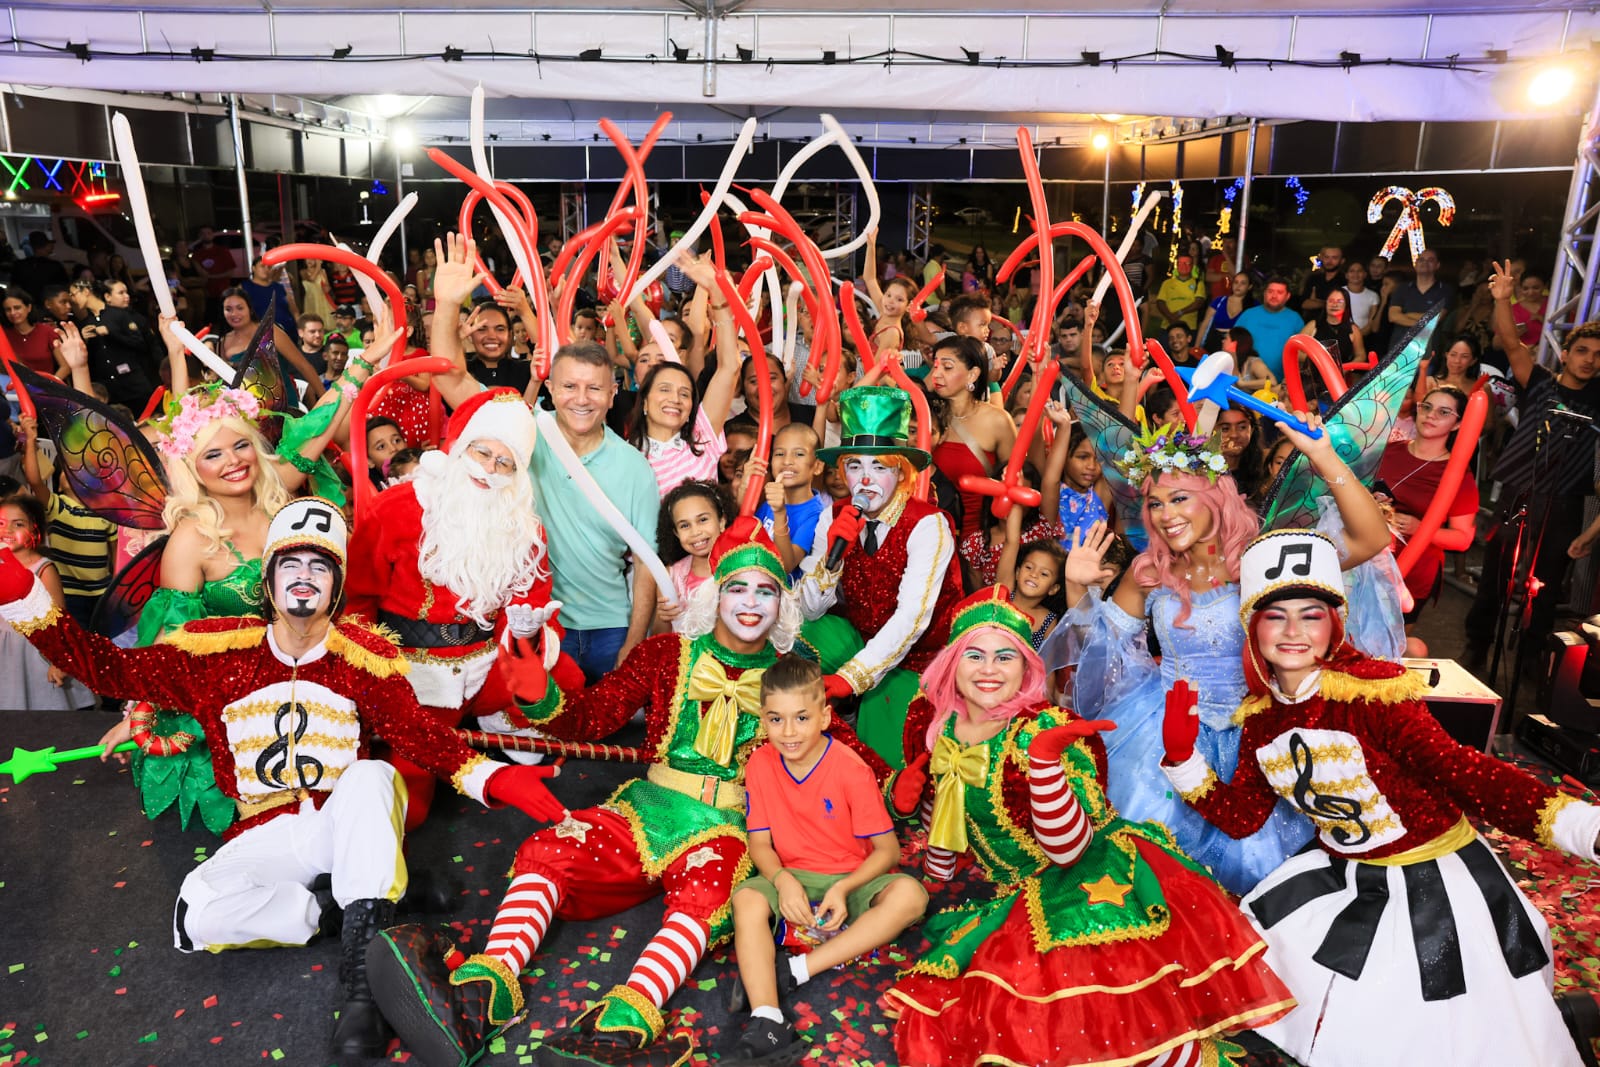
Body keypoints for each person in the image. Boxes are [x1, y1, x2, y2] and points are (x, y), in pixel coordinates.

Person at [0, 500, 566, 1060]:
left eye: (319, 566)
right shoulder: (213, 652)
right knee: (194, 914)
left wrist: (493, 779)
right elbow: (109, 668)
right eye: (291, 564)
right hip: (262, 828)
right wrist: (24, 601)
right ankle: (352, 908)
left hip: (342, 818)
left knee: (371, 776)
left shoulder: (365, 659)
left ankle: (362, 993)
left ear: (336, 586)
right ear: (268, 581)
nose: (304, 577)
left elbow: (416, 732)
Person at [367, 519, 888, 1067]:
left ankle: (622, 1024)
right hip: (647, 808)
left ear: (782, 605)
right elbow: (592, 717)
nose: (752, 602)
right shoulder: (665, 654)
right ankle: (482, 995)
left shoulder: (791, 676)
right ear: (716, 595)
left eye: (766, 591)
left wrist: (900, 783)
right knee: (552, 848)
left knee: (711, 894)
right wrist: (544, 698)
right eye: (738, 587)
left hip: (729, 826)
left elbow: (842, 752)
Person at [1160, 528, 1600, 1067]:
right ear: (1253, 629)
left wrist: (1583, 826)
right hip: (1348, 877)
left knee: (1448, 1027)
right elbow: (1243, 817)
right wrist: (1185, 764)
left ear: (1334, 623)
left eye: (1311, 614)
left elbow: (1465, 773)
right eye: (1276, 616)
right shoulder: (1261, 720)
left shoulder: (1374, 694)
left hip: (1437, 881)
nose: (1294, 630)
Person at [882, 587, 1295, 1067]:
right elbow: (946, 834)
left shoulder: (1043, 730)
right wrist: (908, 800)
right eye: (974, 655)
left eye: (1005, 656)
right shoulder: (943, 729)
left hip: (1086, 874)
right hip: (1015, 889)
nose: (989, 669)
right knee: (1020, 1019)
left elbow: (1070, 851)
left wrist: (1043, 766)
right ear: (952, 664)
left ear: (1026, 668)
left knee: (1097, 1007)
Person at [1060, 412, 1393, 894]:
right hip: (1160, 730)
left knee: (1253, 878)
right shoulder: (1147, 571)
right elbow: (1101, 655)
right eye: (1154, 503)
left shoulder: (1261, 560)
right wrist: (1077, 589)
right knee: (1143, 872)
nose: (1165, 514)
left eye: (1179, 498)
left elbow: (1371, 539)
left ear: (1215, 497)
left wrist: (1323, 456)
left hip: (1256, 730)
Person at [428, 233, 662, 684]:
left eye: (595, 388)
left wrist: (633, 645)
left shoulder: (635, 467)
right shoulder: (522, 428)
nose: (582, 399)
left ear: (613, 396)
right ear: (550, 388)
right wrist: (446, 305)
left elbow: (646, 565)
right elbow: (450, 381)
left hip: (611, 629)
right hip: (529, 624)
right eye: (570, 386)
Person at [346, 388, 573, 824]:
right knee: (408, 805)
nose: (489, 469)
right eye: (482, 451)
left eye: (504, 463)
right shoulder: (395, 509)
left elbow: (534, 601)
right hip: (414, 675)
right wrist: (372, 683)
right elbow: (357, 599)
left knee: (566, 680)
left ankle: (495, 717)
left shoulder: (523, 528)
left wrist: (526, 643)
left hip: (488, 665)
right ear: (458, 446)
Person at [722, 654, 927, 1065]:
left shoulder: (851, 770)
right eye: (775, 719)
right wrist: (781, 879)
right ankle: (768, 1018)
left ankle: (793, 971)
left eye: (801, 717)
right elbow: (759, 843)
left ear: (824, 717)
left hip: (850, 878)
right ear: (762, 720)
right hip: (792, 873)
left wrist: (845, 886)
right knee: (746, 900)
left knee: (911, 895)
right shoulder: (760, 763)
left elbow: (887, 850)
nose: (788, 732)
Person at [796, 387, 963, 767]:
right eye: (855, 466)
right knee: (792, 630)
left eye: (879, 467)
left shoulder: (928, 524)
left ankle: (857, 714)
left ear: (901, 472)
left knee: (881, 763)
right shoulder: (833, 516)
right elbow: (807, 607)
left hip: (922, 658)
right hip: (863, 641)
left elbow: (911, 619)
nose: (865, 480)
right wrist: (830, 562)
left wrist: (852, 678)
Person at [1465, 261, 1600, 671]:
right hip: (1519, 492)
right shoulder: (1541, 381)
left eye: (1598, 355)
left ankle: (1528, 659)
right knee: (1496, 576)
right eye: (1582, 351)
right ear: (1566, 353)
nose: (1589, 360)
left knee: (1545, 586)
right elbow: (1509, 342)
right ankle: (1476, 647)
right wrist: (1503, 299)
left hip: (1565, 503)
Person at [1375, 387, 1477, 654]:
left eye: (1444, 412)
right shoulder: (1390, 450)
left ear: (1457, 424)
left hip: (1412, 571)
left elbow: (1463, 539)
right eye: (1427, 407)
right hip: (1366, 560)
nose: (1431, 415)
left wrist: (1422, 529)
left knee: (1386, 647)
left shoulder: (1456, 473)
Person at [629, 255, 740, 494]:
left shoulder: (701, 435)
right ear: (645, 400)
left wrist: (717, 296)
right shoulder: (627, 456)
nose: (675, 399)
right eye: (664, 389)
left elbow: (729, 368)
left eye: (684, 393)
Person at [0, 493, 93, 709]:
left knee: (38, 716)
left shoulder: (43, 569)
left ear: (34, 529)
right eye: (1, 523)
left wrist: (58, 661)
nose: (7, 530)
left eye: (18, 524)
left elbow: (59, 620)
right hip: (5, 656)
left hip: (33, 654)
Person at [926, 335, 1016, 539]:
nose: (937, 374)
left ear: (972, 374)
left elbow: (1015, 481)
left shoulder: (997, 421)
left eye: (947, 368)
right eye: (936, 366)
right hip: (930, 538)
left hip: (979, 540)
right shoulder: (925, 417)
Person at [215, 287, 324, 402]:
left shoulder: (270, 331)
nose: (234, 314)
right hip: (247, 407)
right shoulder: (224, 342)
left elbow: (303, 365)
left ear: (250, 309)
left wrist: (326, 399)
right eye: (228, 309)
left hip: (282, 403)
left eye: (240, 308)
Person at [655, 478, 734, 628]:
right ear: (676, 533)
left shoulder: (743, 568)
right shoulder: (670, 577)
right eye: (685, 525)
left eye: (703, 519)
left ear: (722, 521)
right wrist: (663, 618)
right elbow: (661, 639)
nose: (695, 532)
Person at [756, 421, 830, 576]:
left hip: (787, 597)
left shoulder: (817, 515)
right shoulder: (769, 501)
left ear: (817, 466)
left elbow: (786, 566)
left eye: (799, 454)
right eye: (779, 453)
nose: (787, 461)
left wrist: (780, 513)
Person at [1234, 277, 1306, 381]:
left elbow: (1302, 354)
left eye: (1280, 292)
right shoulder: (1248, 315)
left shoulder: (1295, 319)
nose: (1274, 296)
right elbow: (1231, 344)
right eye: (1270, 291)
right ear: (1264, 293)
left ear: (1288, 296)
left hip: (1281, 385)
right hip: (1245, 380)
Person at [1388, 250, 1454, 333]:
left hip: (1430, 344)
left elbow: (1436, 318)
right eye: (1421, 260)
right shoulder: (1402, 288)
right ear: (1416, 264)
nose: (1425, 263)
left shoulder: (1445, 289)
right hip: (1400, 342)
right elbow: (1393, 316)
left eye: (1430, 260)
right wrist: (1422, 325)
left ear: (1437, 265)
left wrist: (1405, 316)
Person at [2, 287, 61, 375]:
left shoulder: (47, 331)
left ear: (29, 307)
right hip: (14, 386)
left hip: (47, 385)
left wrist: (51, 383)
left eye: (17, 308)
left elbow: (65, 366)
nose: (13, 313)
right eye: (8, 309)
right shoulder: (3, 335)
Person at [1197, 271, 1255, 352]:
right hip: (1214, 343)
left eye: (1243, 283)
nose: (1238, 286)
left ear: (1249, 286)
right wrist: (1196, 347)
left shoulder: (1254, 305)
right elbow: (1205, 324)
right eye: (1236, 282)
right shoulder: (1219, 301)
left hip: (1238, 345)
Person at [1154, 253, 1207, 332]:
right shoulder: (1167, 283)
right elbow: (1160, 302)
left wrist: (1180, 313)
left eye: (1187, 263)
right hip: (1168, 326)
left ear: (1192, 266)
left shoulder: (1198, 283)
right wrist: (1170, 317)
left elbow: (1198, 303)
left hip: (1189, 327)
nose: (1183, 266)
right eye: (1180, 263)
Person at [1300, 245, 1346, 316]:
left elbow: (1345, 305)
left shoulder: (1345, 280)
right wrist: (1330, 303)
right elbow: (1304, 304)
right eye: (1326, 257)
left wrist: (1316, 302)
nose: (1329, 261)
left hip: (1337, 324)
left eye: (1334, 258)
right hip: (1312, 323)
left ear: (1342, 261)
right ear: (1321, 258)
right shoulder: (1313, 279)